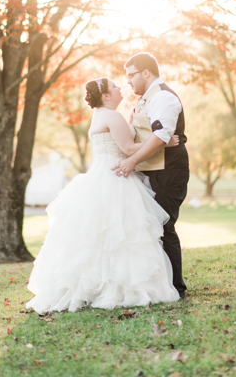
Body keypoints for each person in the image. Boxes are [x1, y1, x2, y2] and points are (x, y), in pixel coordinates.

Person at [26, 77, 180, 313]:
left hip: (101, 175)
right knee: (121, 234)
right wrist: (163, 142)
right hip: (116, 177)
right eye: (115, 87)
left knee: (100, 237)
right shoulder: (112, 116)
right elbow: (128, 150)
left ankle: (97, 287)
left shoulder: (102, 115)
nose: (120, 88)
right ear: (106, 96)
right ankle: (121, 287)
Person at [113, 53, 190, 299]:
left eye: (131, 76)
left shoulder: (163, 97)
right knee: (147, 229)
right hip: (149, 172)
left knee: (163, 226)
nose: (128, 82)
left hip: (168, 173)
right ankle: (157, 286)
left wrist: (131, 161)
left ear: (146, 72)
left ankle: (176, 288)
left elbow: (161, 136)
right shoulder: (144, 101)